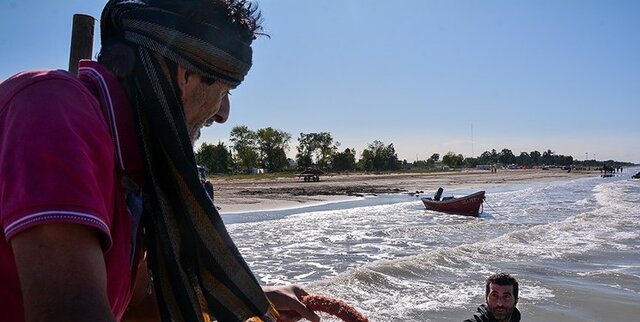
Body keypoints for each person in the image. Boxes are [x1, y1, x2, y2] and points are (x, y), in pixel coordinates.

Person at [0, 1, 320, 322]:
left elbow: (136, 307)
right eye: (225, 91)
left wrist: (247, 300)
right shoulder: (51, 108)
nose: (223, 114)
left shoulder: (138, 169)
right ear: (184, 76)